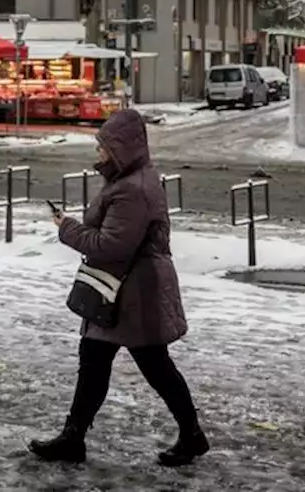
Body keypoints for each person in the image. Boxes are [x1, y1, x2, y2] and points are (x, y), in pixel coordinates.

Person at [30, 108, 209, 467]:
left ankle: (191, 435)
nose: (98, 153)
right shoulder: (126, 181)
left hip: (134, 292)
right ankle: (73, 438)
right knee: (94, 360)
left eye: (102, 147)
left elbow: (111, 245)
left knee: (155, 366)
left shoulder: (133, 189)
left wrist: (67, 228)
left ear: (120, 149)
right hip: (118, 290)